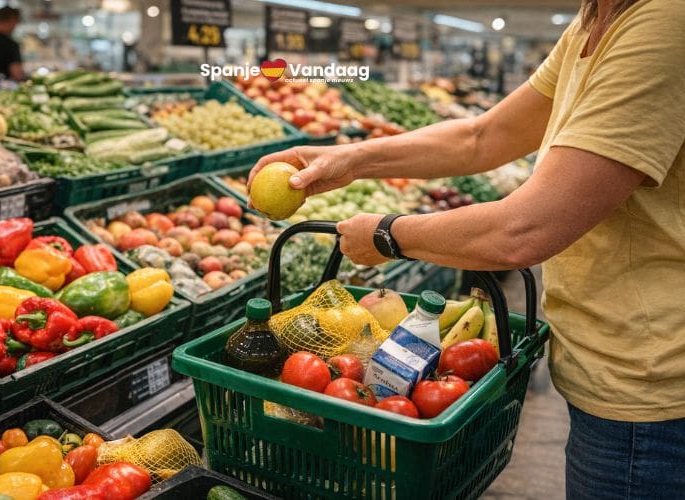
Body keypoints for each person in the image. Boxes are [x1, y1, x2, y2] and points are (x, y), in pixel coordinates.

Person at [249, 0, 685, 497]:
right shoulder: (593, 20)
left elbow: (525, 229)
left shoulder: (665, 22)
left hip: (653, 394)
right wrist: (351, 158)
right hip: (610, 367)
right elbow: (484, 136)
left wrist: (389, 235)